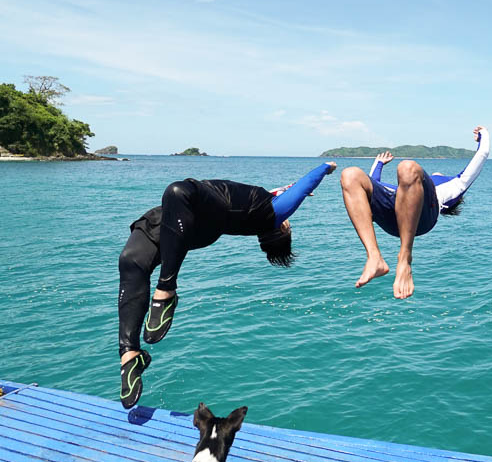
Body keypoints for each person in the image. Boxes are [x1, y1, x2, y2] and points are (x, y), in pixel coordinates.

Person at [118, 161, 338, 408]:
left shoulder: (273, 213)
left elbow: (305, 184)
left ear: (282, 228)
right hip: (172, 219)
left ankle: (166, 290)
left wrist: (325, 167)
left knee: (176, 190)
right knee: (130, 263)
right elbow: (294, 188)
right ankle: (130, 356)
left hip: (195, 207)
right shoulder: (266, 209)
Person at [340, 126, 489, 299]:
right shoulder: (406, 187)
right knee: (350, 175)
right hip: (394, 209)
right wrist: (379, 163)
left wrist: (483, 134)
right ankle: (374, 257)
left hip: (422, 218)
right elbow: (372, 184)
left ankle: (405, 258)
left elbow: (483, 154)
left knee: (408, 167)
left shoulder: (454, 186)